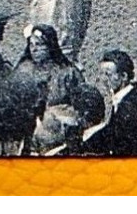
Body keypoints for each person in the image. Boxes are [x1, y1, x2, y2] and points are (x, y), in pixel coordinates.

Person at [13, 24, 90, 153]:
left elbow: (81, 104)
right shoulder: (22, 71)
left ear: (50, 46)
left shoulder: (67, 72)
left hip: (57, 135)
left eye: (39, 45)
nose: (34, 49)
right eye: (31, 45)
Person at [81, 49, 137, 156]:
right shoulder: (121, 100)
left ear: (123, 76)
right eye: (102, 74)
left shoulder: (130, 106)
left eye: (108, 74)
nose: (103, 79)